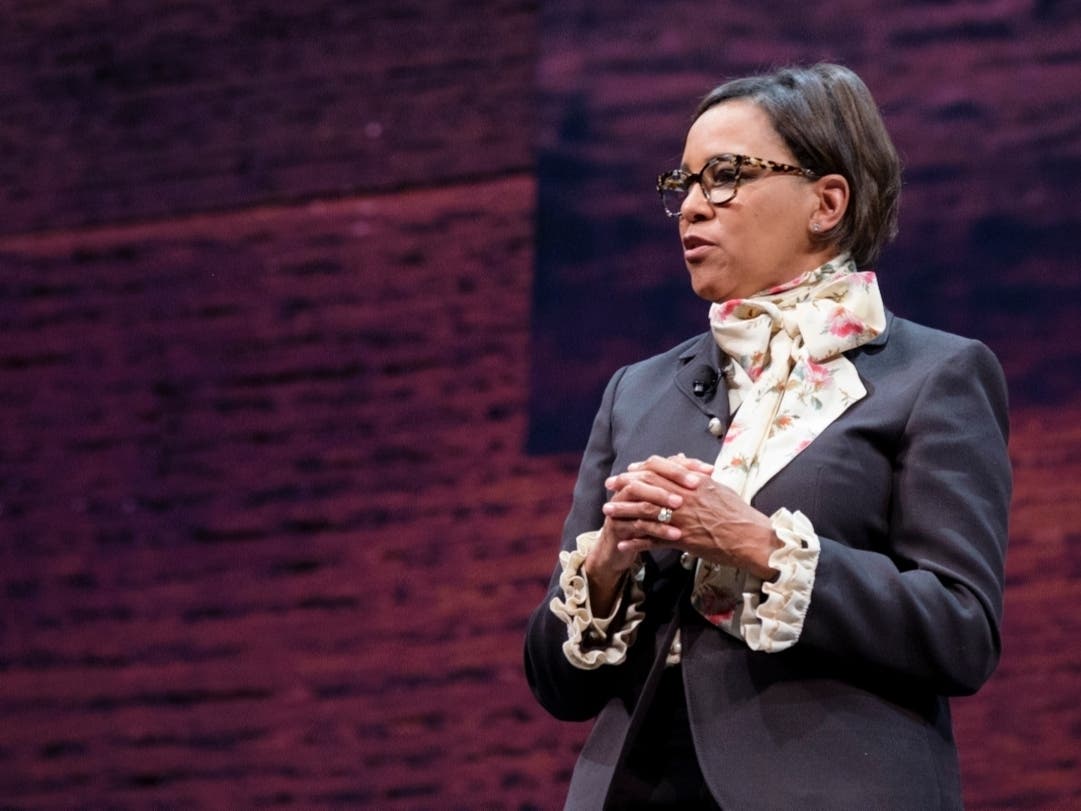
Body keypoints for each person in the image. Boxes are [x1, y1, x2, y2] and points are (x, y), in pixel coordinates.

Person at [523, 63, 1011, 810]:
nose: (692, 206)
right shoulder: (636, 391)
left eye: (725, 177)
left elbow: (961, 631)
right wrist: (607, 568)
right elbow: (557, 685)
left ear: (827, 201)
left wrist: (760, 544)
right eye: (682, 183)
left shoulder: (934, 375)